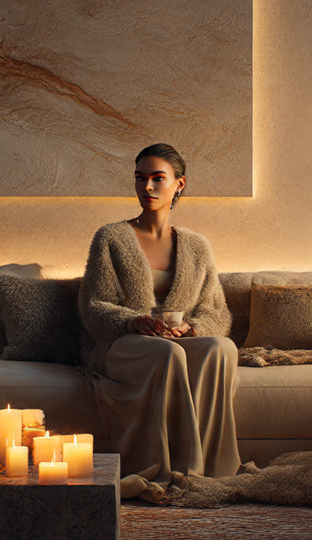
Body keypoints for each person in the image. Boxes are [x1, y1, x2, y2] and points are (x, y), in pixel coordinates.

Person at [78, 143, 240, 481]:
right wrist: (132, 320)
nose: (146, 187)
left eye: (157, 178)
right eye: (140, 178)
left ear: (179, 183)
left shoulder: (197, 246)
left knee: (220, 347)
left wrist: (193, 328)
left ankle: (211, 474)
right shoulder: (111, 237)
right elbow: (94, 305)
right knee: (166, 353)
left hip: (174, 341)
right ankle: (168, 472)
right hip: (123, 344)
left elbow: (217, 312)